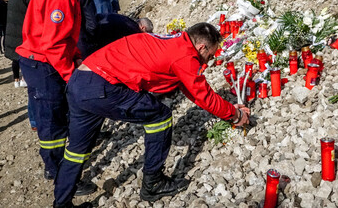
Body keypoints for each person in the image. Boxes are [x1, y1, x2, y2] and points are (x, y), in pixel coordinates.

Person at [52, 23, 250, 207]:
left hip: (81, 80)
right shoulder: (185, 56)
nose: (211, 60)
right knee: (160, 117)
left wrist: (230, 109)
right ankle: (153, 182)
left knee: (77, 150)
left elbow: (184, 86)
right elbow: (202, 95)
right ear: (201, 48)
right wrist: (235, 115)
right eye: (211, 55)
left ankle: (61, 203)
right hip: (102, 86)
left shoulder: (171, 41)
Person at [16, 0, 105, 186]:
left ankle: (60, 165)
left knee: (57, 114)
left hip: (47, 59)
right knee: (51, 119)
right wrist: (72, 75)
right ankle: (57, 173)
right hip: (42, 63)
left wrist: (76, 55)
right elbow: (53, 44)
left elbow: (66, 34)